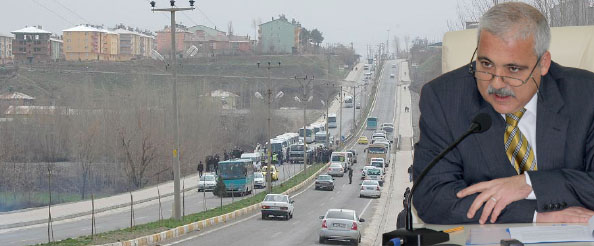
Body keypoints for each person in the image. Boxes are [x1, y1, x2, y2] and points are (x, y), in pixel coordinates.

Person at [413, 2, 594, 225]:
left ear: (543, 64)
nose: (496, 83)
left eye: (513, 69)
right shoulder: (443, 99)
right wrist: (536, 216)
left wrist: (529, 184)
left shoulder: (586, 96)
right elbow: (432, 197)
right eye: (486, 64)